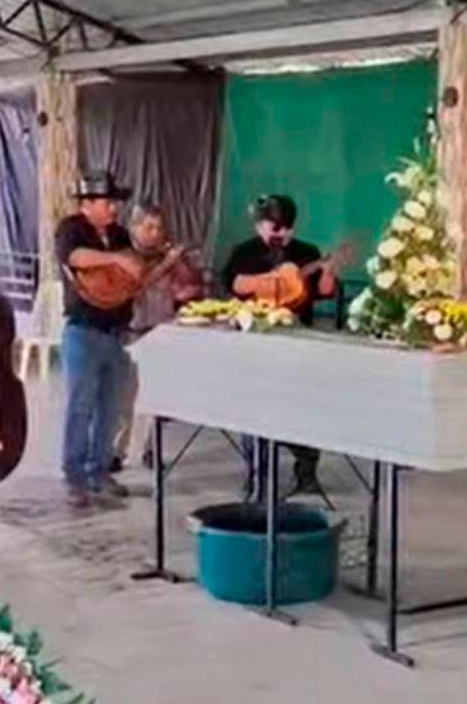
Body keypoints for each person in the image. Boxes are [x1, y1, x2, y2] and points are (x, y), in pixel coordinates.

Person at [221, 194, 338, 496]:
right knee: (254, 410)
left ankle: (306, 472)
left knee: (302, 408)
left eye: (287, 228)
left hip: (298, 340)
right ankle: (258, 475)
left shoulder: (306, 252)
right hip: (256, 342)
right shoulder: (245, 252)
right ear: (260, 225)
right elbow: (235, 283)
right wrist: (272, 279)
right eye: (275, 227)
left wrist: (327, 270)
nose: (281, 233)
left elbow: (324, 292)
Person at [55, 171, 138, 508]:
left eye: (115, 202)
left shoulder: (119, 234)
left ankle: (99, 469)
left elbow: (133, 268)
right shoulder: (71, 228)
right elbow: (74, 257)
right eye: (108, 202)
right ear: (87, 204)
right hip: (83, 330)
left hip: (117, 331)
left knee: (110, 407)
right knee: (81, 406)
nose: (114, 208)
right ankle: (75, 475)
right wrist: (115, 258)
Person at [112, 202, 203, 472]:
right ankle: (116, 450)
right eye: (149, 227)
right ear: (134, 228)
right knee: (126, 396)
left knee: (158, 395)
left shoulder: (166, 255)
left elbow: (190, 287)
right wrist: (167, 263)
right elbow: (137, 287)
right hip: (132, 331)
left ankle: (151, 449)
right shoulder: (125, 255)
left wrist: (181, 261)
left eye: (159, 228)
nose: (155, 234)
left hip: (161, 330)